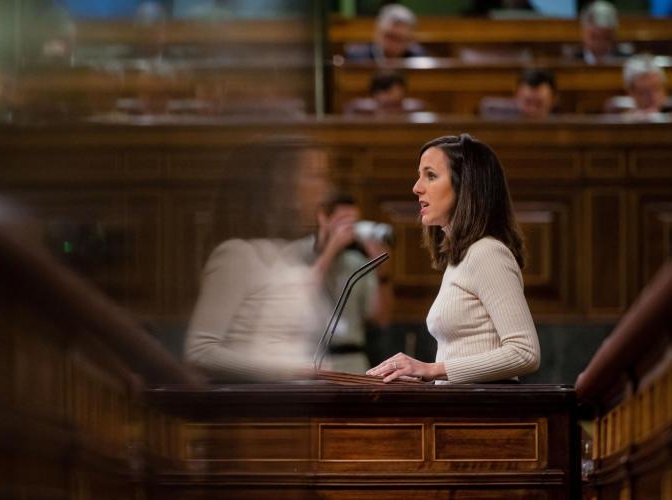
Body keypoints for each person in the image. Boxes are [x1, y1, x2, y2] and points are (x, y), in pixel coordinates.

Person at [367, 134, 540, 384]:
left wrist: (430, 370)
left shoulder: (487, 253)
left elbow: (525, 353)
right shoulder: (462, 256)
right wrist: (426, 381)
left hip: (487, 408)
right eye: (419, 175)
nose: (416, 187)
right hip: (460, 405)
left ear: (465, 186)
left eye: (430, 175)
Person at [184, 141, 333, 383]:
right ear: (282, 187)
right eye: (316, 176)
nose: (326, 189)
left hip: (297, 402)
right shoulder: (237, 255)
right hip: (257, 405)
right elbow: (200, 351)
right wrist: (293, 371)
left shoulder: (291, 257)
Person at [291, 192, 394, 374]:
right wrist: (332, 248)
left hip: (352, 360)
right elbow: (298, 297)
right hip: (310, 357)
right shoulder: (299, 252)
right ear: (323, 218)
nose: (349, 228)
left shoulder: (358, 262)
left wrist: (382, 274)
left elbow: (380, 318)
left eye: (353, 222)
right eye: (343, 221)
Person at [344, 4, 426, 62]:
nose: (393, 45)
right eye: (389, 37)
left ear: (410, 40)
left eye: (400, 39)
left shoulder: (419, 59)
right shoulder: (356, 57)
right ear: (377, 33)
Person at [344, 71, 426, 115]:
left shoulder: (417, 110)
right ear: (374, 94)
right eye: (386, 91)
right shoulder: (358, 110)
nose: (390, 96)